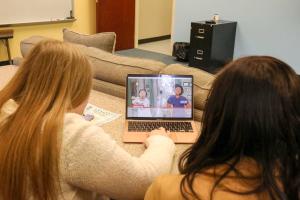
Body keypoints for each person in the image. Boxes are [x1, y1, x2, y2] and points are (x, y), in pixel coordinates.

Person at [0, 40, 175, 200]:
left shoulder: (6, 110)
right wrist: (162, 142)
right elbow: (143, 182)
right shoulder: (68, 132)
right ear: (75, 91)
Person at [145, 56, 300, 200]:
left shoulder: (167, 189)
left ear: (215, 115)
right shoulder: (291, 185)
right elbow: (168, 106)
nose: (178, 91)